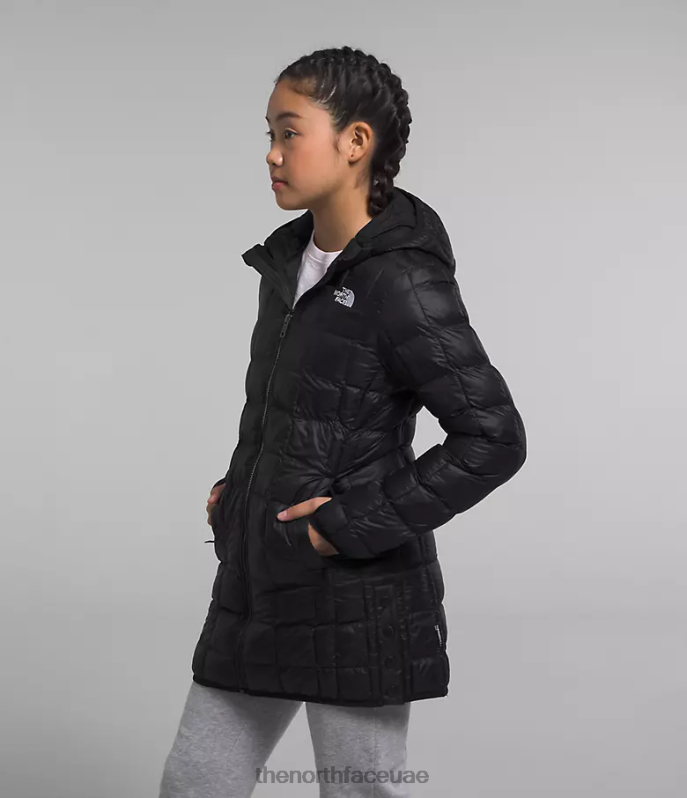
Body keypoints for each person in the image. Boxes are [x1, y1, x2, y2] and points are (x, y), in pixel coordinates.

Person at [159, 45, 527, 798]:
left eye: (290, 132)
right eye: (269, 133)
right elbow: (305, 410)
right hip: (260, 578)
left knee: (359, 791)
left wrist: (344, 525)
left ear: (355, 142)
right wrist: (242, 488)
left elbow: (493, 437)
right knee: (196, 782)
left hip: (360, 596)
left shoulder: (403, 279)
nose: (271, 153)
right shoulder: (286, 266)